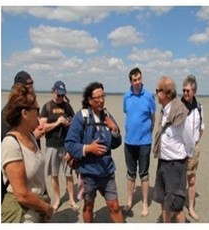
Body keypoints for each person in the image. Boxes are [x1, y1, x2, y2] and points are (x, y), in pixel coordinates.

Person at [64, 82, 124, 223]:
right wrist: (88, 148)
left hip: (107, 171)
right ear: (90, 100)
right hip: (88, 173)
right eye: (97, 98)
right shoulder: (81, 117)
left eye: (102, 96)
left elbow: (116, 143)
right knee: (89, 206)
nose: (101, 100)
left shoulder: (107, 115)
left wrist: (114, 130)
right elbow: (69, 144)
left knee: (114, 206)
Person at [1, 84, 54, 223]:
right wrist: (46, 208)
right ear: (24, 113)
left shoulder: (31, 137)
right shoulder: (11, 143)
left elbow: (38, 179)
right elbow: (21, 195)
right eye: (36, 110)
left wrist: (45, 200)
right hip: (21, 216)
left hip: (37, 213)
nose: (39, 114)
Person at [152, 76, 194, 223]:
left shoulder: (179, 112)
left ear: (167, 93)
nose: (156, 93)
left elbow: (189, 140)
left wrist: (184, 159)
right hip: (163, 163)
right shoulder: (164, 110)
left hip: (175, 166)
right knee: (163, 202)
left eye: (158, 90)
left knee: (176, 207)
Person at [121, 67, 156, 216]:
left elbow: (153, 119)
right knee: (130, 173)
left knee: (144, 174)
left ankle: (144, 204)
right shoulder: (126, 97)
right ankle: (129, 201)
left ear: (142, 79)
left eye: (139, 79)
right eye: (134, 80)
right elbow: (127, 115)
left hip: (144, 143)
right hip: (129, 142)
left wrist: (147, 133)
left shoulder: (149, 96)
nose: (137, 82)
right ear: (130, 81)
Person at [39, 80, 77, 211]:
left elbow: (75, 122)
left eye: (63, 95)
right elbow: (42, 127)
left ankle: (72, 199)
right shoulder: (47, 107)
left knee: (68, 173)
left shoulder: (67, 107)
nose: (60, 97)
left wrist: (69, 123)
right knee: (54, 174)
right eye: (58, 94)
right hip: (52, 146)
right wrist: (57, 122)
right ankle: (57, 199)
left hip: (66, 145)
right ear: (53, 91)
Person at [181, 75, 205, 221]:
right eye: (183, 90)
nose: (185, 93)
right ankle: (176, 208)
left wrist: (195, 143)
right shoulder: (178, 106)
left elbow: (202, 128)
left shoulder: (200, 108)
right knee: (177, 180)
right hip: (178, 149)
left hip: (193, 150)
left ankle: (191, 208)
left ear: (194, 91)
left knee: (191, 180)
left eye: (188, 91)